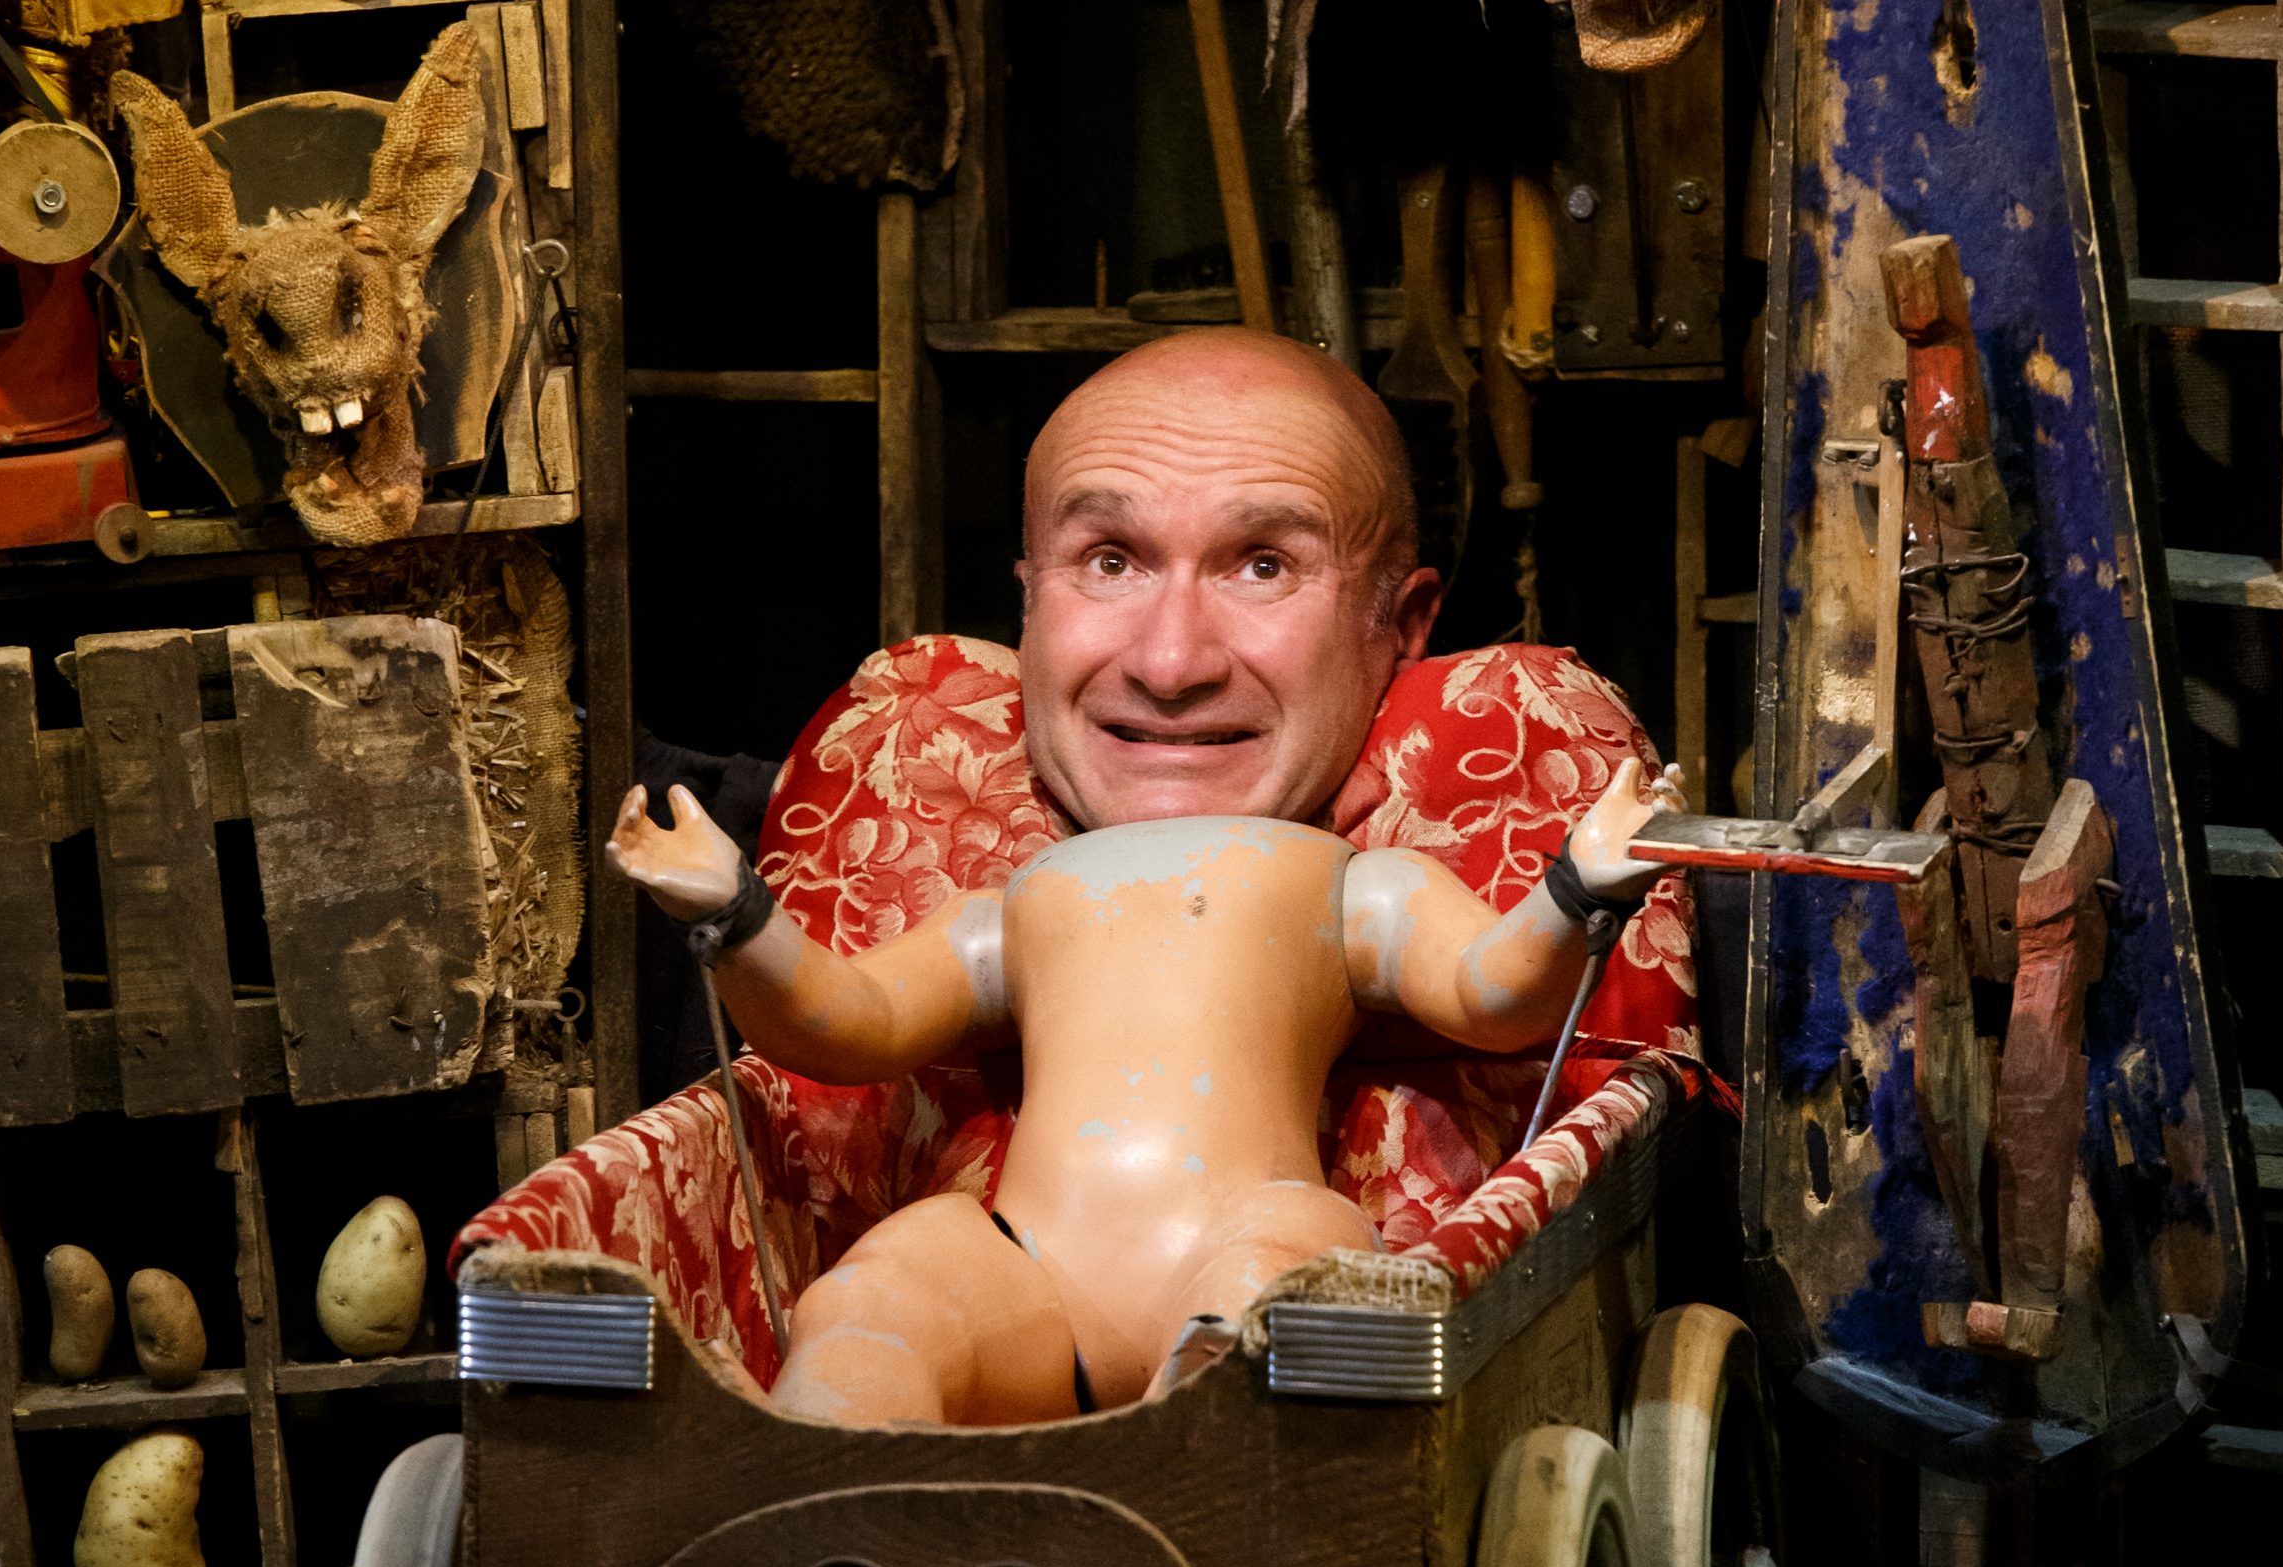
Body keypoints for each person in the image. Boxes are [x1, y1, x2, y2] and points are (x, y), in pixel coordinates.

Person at [607, 330, 1676, 1424]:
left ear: (1398, 626)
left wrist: (1579, 888)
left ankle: (1215, 1447)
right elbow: (851, 1021)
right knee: (881, 1287)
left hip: (1244, 1237)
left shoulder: (1357, 890)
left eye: (1264, 564)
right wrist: (737, 914)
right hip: (1021, 1279)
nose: (1170, 665)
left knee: (1292, 1267)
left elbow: (1496, 996)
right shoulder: (1011, 905)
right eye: (1110, 560)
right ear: (1029, 605)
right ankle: (830, 1477)